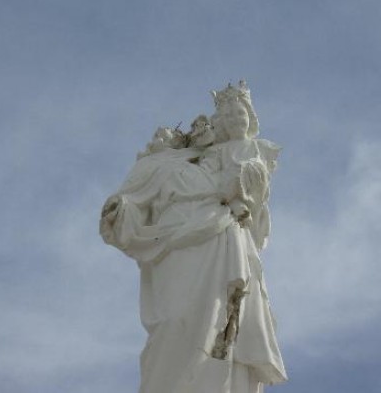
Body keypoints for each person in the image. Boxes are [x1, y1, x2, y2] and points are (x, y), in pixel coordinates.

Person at [100, 83, 286, 393]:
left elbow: (254, 203)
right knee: (174, 320)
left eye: (242, 113)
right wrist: (121, 209)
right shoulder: (174, 164)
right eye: (228, 115)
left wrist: (242, 185)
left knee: (222, 325)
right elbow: (137, 202)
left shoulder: (246, 154)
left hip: (222, 237)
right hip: (176, 242)